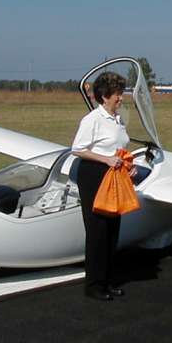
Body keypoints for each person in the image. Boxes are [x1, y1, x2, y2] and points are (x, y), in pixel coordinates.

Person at [72, 71, 136, 301]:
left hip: (115, 175)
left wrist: (128, 166)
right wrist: (106, 160)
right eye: (117, 94)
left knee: (112, 230)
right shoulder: (93, 120)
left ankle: (108, 281)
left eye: (121, 93)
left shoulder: (117, 118)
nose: (121, 98)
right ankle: (94, 285)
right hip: (95, 176)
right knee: (97, 231)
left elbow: (119, 147)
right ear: (104, 96)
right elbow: (78, 149)